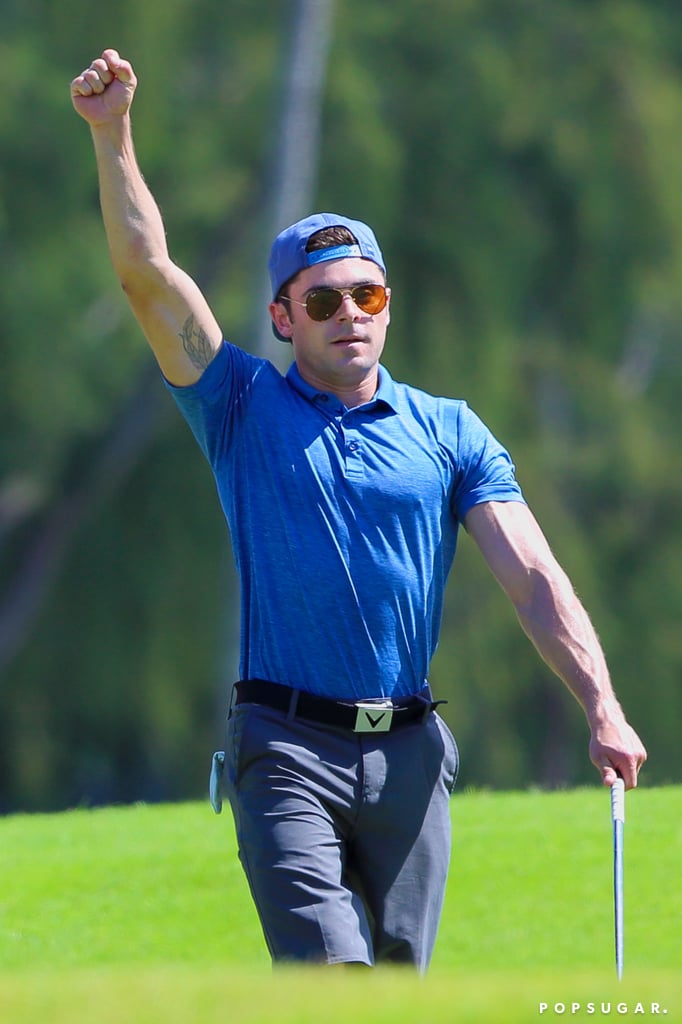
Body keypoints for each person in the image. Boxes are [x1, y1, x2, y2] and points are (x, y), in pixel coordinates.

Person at [71, 49, 647, 971]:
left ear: (388, 306)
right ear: (284, 317)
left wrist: (602, 704)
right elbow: (147, 274)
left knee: (398, 984)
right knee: (331, 979)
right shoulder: (239, 407)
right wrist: (114, 133)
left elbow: (534, 576)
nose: (351, 313)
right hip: (285, 747)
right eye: (326, 298)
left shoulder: (449, 431)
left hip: (410, 755)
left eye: (367, 295)